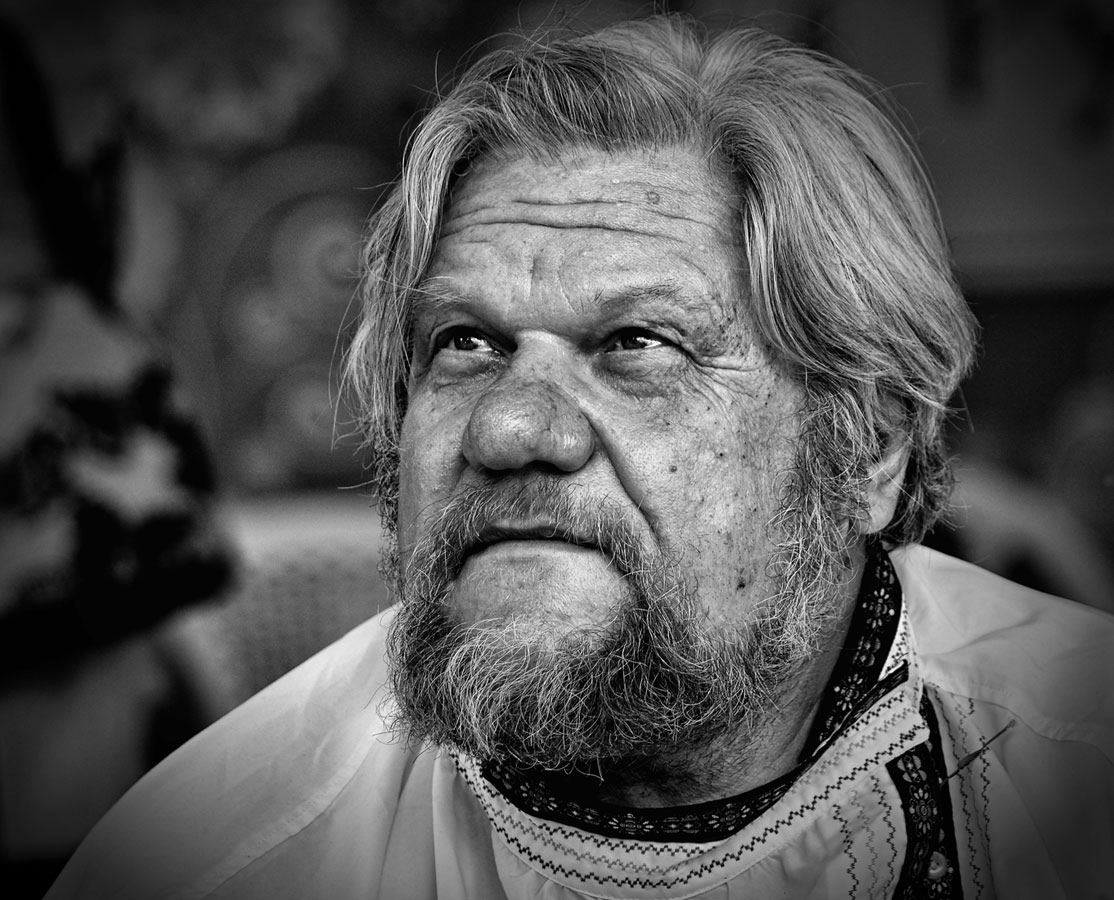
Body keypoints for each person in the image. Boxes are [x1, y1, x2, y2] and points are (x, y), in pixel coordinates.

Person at [44, 14, 1114, 899]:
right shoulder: (206, 865)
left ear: (868, 449)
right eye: (466, 344)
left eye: (636, 344)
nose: (511, 430)